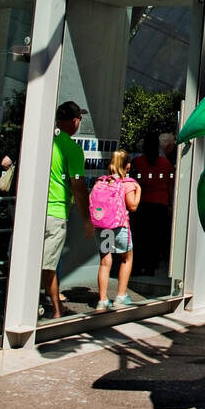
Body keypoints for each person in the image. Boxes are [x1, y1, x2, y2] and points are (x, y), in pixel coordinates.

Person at [43, 102, 94, 319]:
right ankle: (56, 310)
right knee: (49, 265)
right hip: (56, 213)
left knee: (35, 262)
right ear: (74, 121)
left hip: (34, 212)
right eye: (79, 119)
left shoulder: (45, 140)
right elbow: (79, 187)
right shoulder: (72, 149)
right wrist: (86, 218)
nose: (80, 123)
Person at [94, 151, 141, 312]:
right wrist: (139, 189)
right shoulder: (127, 183)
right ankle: (121, 296)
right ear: (127, 165)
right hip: (120, 227)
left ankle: (102, 300)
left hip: (102, 228)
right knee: (126, 258)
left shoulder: (101, 182)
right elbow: (133, 206)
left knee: (105, 262)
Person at [130, 130, 174, 274]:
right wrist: (170, 204)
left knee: (139, 236)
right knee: (155, 238)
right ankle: (150, 267)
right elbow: (171, 185)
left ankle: (136, 266)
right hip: (160, 204)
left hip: (141, 203)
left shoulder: (137, 162)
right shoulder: (166, 163)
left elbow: (133, 182)